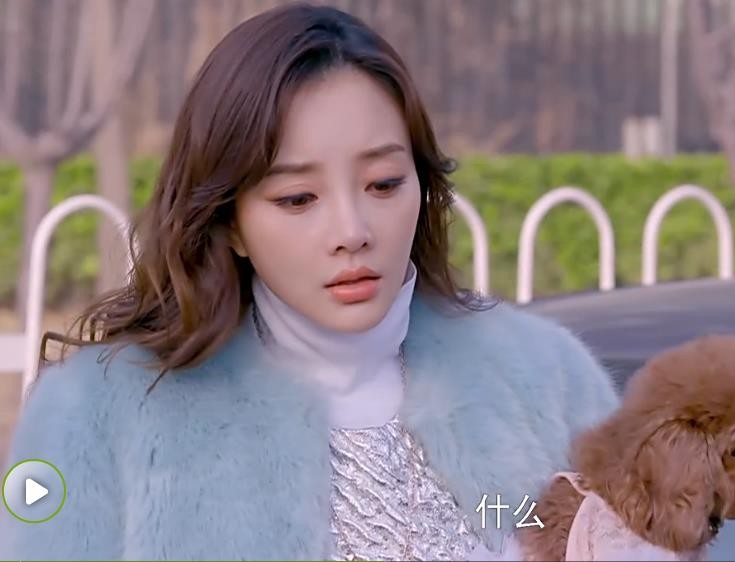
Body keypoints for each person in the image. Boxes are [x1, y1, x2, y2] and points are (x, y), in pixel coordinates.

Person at [0, 3, 619, 560]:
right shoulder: (98, 417)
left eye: (383, 184)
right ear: (229, 222)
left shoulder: (546, 380)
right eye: (298, 198)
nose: (352, 231)